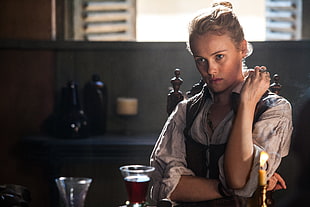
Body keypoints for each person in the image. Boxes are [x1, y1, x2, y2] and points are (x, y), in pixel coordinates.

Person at [150, 1, 293, 206]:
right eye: (201, 60)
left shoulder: (274, 110)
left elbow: (237, 178)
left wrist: (246, 104)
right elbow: (164, 187)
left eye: (219, 57)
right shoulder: (186, 110)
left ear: (242, 48)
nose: (211, 70)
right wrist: (226, 189)